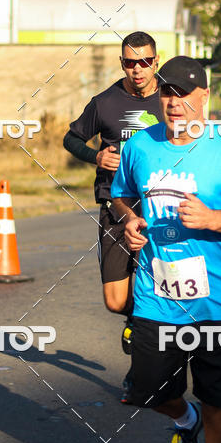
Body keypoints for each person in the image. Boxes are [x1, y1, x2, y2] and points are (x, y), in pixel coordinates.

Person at [111, 56, 221, 443]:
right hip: (157, 293)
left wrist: (213, 218)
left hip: (217, 299)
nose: (173, 102)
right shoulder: (140, 146)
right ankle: (186, 421)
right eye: (166, 92)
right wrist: (130, 220)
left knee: (218, 392)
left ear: (205, 97)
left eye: (183, 93)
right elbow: (121, 198)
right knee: (144, 389)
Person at [63, 31, 162, 352]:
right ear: (122, 64)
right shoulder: (104, 103)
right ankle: (137, 319)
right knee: (115, 300)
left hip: (160, 207)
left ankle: (154, 342)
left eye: (145, 62)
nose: (138, 69)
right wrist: (97, 156)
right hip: (116, 205)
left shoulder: (170, 100)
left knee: (165, 286)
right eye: (131, 63)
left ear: (155, 61)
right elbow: (71, 139)